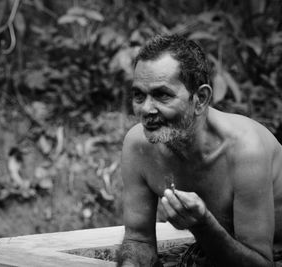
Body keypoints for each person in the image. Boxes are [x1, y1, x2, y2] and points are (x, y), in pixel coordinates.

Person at [116, 34, 282, 267]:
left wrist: (203, 225)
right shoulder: (138, 145)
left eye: (162, 95)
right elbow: (138, 240)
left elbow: (261, 264)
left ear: (201, 99)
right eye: (138, 95)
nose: (146, 109)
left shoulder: (245, 150)